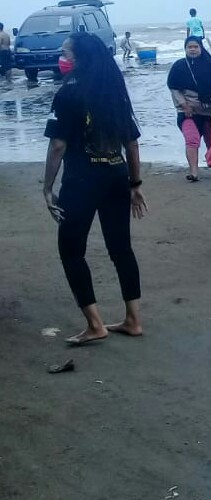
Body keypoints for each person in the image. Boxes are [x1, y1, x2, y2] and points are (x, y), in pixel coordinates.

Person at [41, 33, 148, 346]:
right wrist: (135, 183)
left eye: (66, 52)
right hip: (115, 175)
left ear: (78, 57)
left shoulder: (67, 93)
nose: (62, 57)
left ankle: (95, 324)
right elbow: (131, 143)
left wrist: (47, 188)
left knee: (71, 250)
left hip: (82, 181)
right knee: (121, 248)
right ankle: (133, 319)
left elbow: (58, 145)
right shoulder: (113, 88)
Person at [167, 36, 211, 182]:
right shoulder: (179, 66)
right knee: (192, 139)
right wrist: (184, 105)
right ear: (185, 49)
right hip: (188, 111)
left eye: (195, 46)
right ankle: (194, 172)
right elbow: (173, 88)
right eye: (189, 47)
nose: (192, 49)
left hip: (210, 110)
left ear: (201, 48)